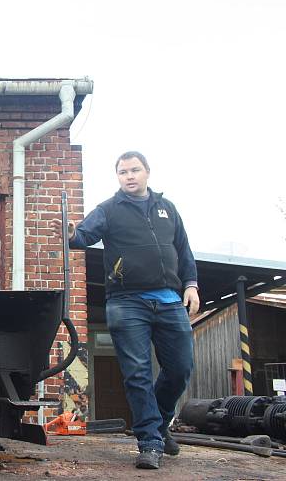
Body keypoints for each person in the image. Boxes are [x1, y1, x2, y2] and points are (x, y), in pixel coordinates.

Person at [52, 151, 199, 470]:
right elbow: (84, 235)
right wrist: (70, 234)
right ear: (117, 177)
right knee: (138, 373)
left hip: (171, 300)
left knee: (181, 368)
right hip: (126, 302)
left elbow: (184, 250)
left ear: (147, 172)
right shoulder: (109, 209)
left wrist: (191, 285)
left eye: (134, 170)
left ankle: (158, 424)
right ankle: (149, 441)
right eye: (122, 172)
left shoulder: (167, 209)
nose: (129, 176)